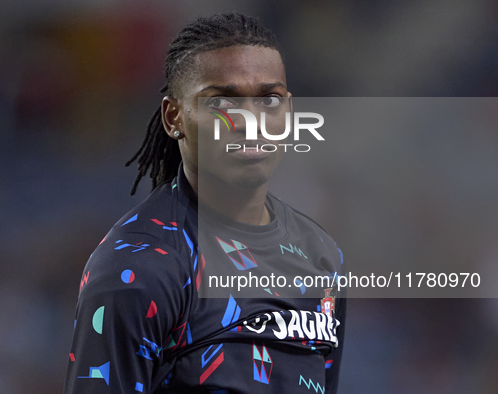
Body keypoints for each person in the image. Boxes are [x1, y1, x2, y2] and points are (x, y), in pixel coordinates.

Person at [64, 12, 345, 393]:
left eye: (269, 99)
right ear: (174, 116)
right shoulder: (136, 270)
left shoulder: (322, 256)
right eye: (222, 102)